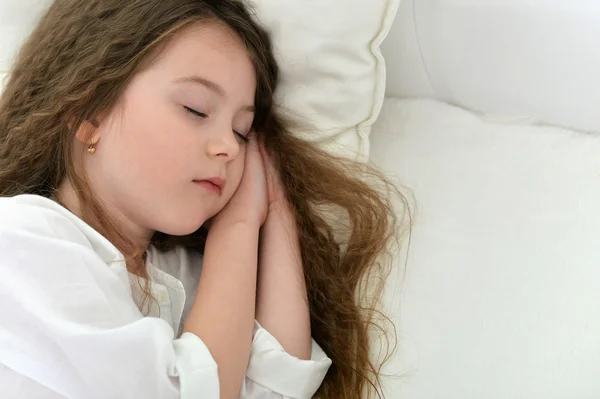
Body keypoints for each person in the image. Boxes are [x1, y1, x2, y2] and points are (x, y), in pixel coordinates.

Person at [0, 0, 409, 398]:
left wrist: (266, 209)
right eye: (196, 109)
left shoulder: (186, 274)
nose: (230, 149)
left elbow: (279, 384)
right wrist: (236, 230)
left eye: (242, 131)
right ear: (88, 114)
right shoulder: (21, 239)